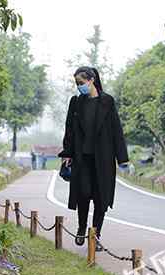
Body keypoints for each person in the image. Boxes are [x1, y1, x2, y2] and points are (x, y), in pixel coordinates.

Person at [57, 66, 129, 251]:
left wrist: (122, 159)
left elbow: (116, 131)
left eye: (81, 83)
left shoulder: (107, 102)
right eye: (77, 84)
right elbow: (70, 130)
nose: (79, 87)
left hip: (103, 159)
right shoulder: (76, 102)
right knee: (83, 194)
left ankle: (95, 235)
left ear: (91, 80)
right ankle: (82, 228)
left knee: (100, 198)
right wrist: (67, 154)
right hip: (82, 158)